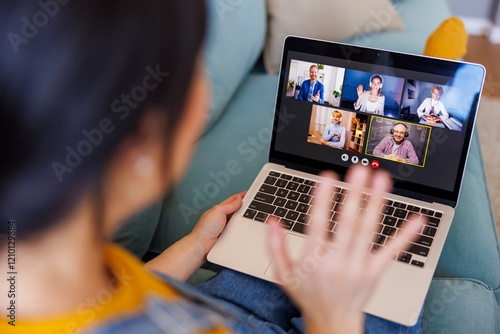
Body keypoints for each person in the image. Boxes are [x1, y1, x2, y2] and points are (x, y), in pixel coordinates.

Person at [0, 2, 424, 333]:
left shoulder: (38, 262)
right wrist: (334, 319)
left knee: (287, 251)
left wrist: (196, 243)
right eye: (192, 71)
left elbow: (103, 304)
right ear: (138, 148)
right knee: (381, 279)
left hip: (218, 306)